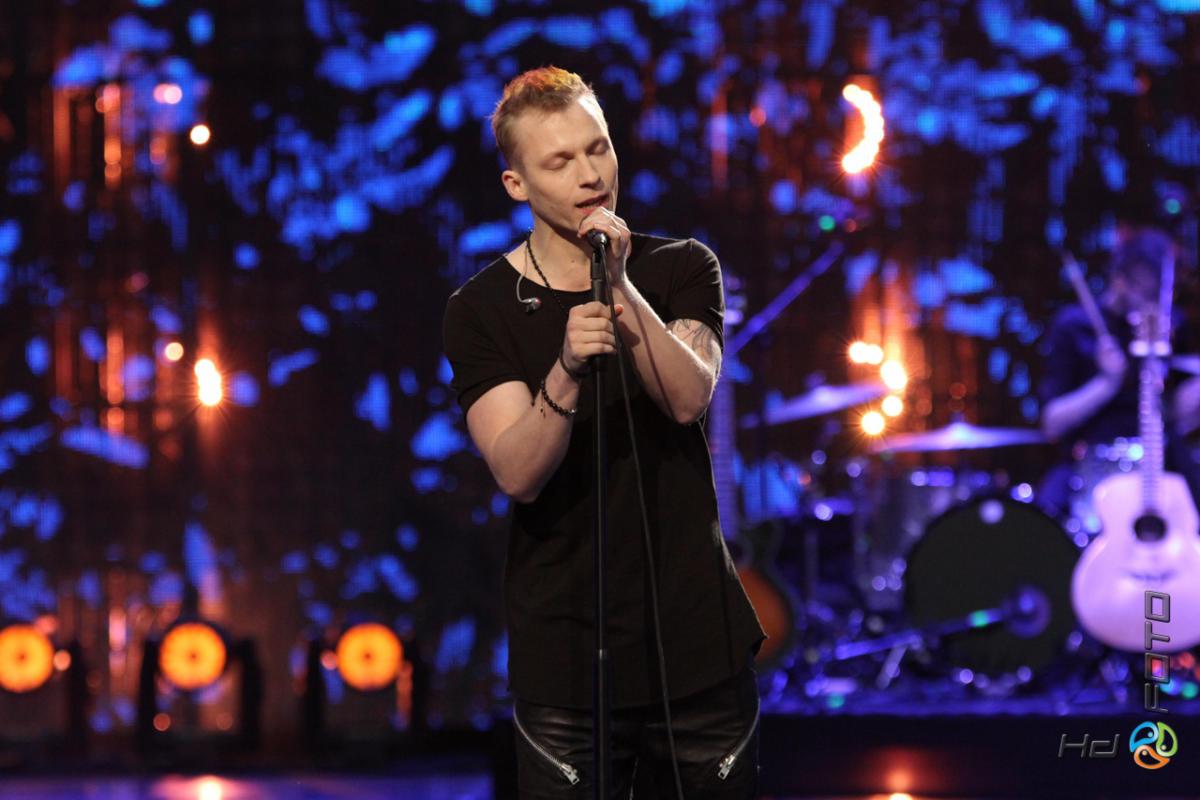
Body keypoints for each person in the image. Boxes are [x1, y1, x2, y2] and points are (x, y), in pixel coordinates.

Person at [442, 67, 765, 797]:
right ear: (517, 184)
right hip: (566, 659)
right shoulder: (481, 309)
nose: (591, 175)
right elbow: (517, 472)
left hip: (696, 648)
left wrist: (619, 285)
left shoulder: (682, 267)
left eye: (598, 148)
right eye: (560, 161)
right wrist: (563, 371)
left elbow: (688, 399)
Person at [1038, 226, 1200, 529]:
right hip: (1089, 462)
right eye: (1146, 291)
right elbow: (1052, 422)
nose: (1153, 304)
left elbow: (1173, 415)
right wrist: (1105, 384)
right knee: (1043, 526)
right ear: (1120, 279)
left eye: (1161, 293)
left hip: (1160, 462)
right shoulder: (1075, 326)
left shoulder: (1169, 325)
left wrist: (1187, 400)